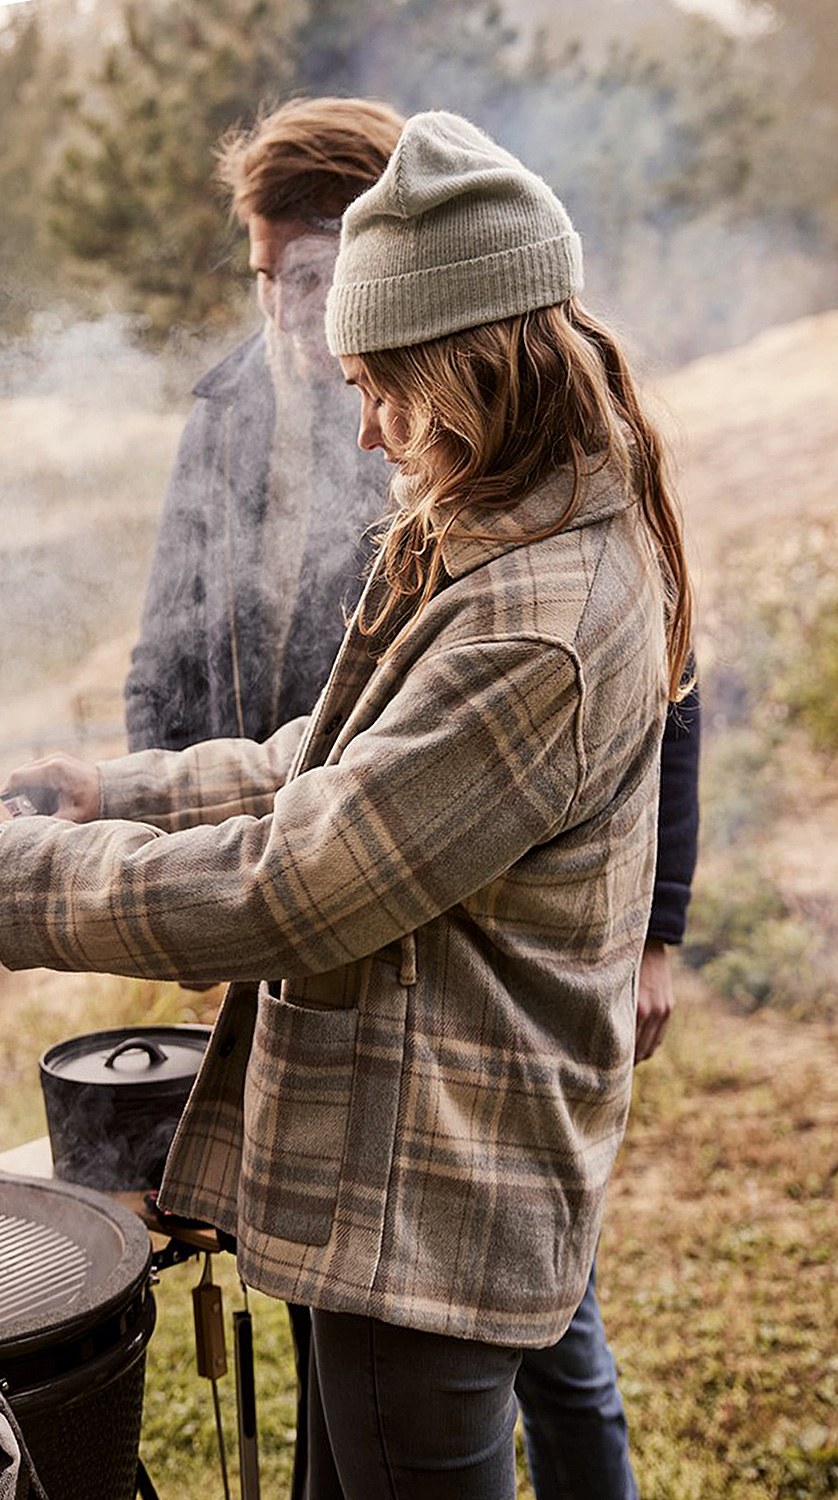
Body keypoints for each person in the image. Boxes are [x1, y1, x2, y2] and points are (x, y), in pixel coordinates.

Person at [0, 110, 693, 1500]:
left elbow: (291, 881)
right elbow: (323, 762)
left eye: (380, 387)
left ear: (467, 363)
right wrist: (105, 787)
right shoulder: (509, 519)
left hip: (425, 1191)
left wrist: (17, 885)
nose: (365, 429)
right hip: (408, 1162)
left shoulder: (538, 622)